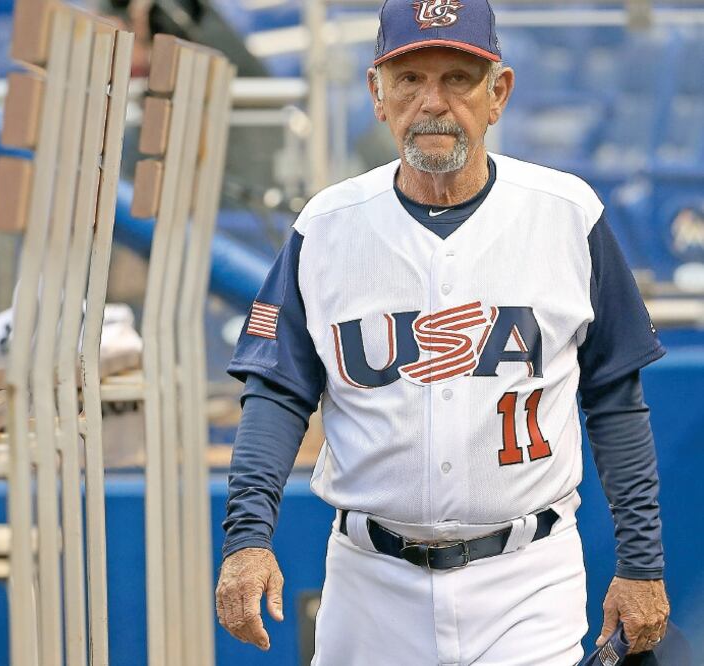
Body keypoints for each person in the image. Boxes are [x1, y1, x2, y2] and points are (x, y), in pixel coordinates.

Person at [214, 0, 671, 663]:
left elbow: (615, 400)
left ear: (498, 93)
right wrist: (248, 539)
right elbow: (278, 393)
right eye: (409, 79)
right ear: (378, 94)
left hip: (528, 579)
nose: (432, 101)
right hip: (370, 583)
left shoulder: (568, 216)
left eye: (457, 77)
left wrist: (643, 564)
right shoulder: (327, 226)